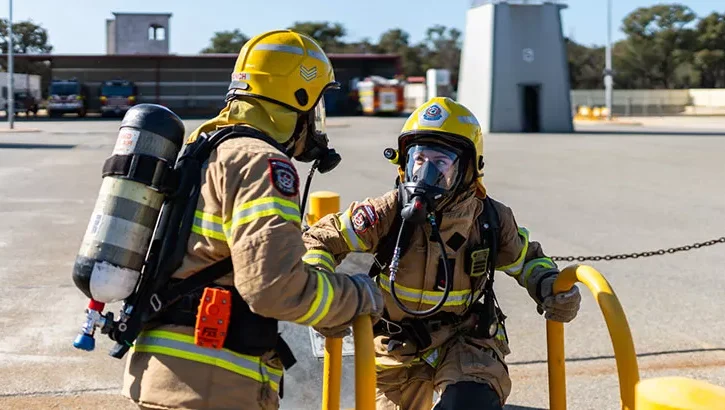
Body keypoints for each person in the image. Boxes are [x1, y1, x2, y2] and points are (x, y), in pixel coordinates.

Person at [120, 29, 383, 410]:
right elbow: (274, 288)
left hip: (165, 376)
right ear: (299, 97)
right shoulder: (263, 162)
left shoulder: (207, 147)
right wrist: (357, 296)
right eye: (318, 104)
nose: (317, 119)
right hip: (212, 388)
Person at [301, 97, 581, 410]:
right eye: (419, 161)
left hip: (464, 339)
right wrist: (322, 299)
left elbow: (528, 260)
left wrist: (550, 287)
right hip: (396, 349)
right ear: (404, 164)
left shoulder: (489, 219)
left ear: (468, 170)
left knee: (468, 404)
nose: (427, 173)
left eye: (441, 163)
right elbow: (319, 240)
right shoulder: (386, 212)